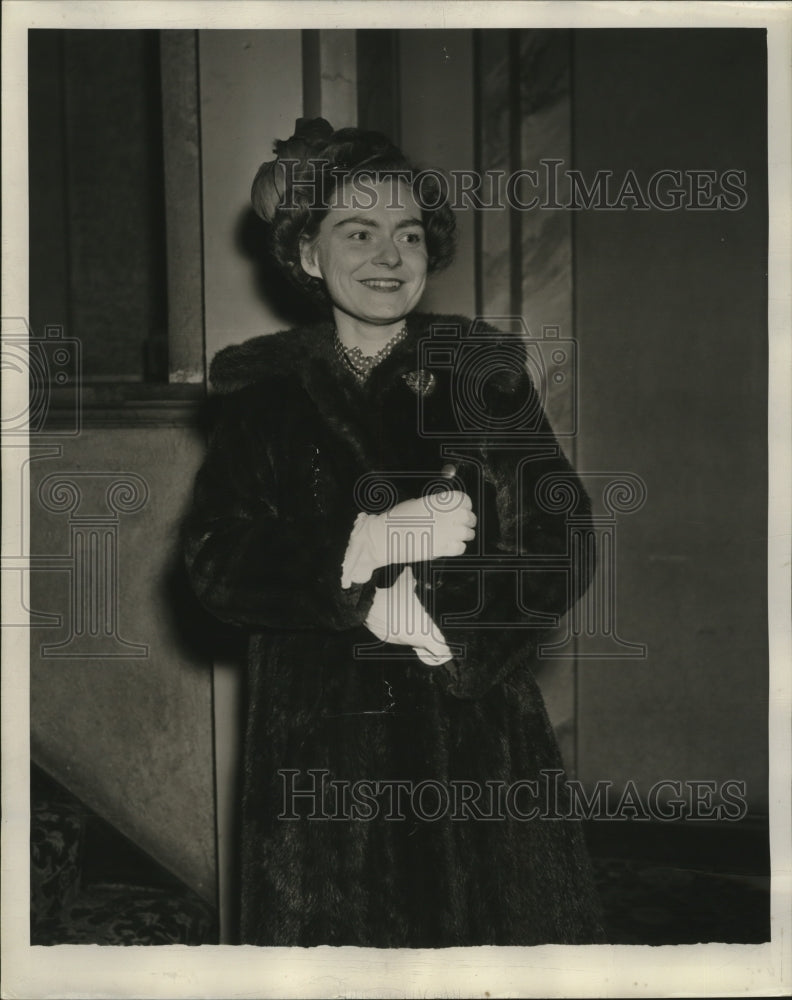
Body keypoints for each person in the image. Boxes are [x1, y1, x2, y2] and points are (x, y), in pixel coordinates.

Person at [184, 118, 604, 947]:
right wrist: (360, 552)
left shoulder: (481, 375)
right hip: (316, 745)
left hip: (472, 738)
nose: (389, 256)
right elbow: (212, 558)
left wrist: (447, 612)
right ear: (307, 254)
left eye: (408, 234)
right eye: (359, 231)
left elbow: (564, 540)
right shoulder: (261, 397)